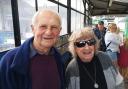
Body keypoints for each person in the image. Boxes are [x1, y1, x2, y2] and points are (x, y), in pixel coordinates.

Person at [0, 9, 64, 89]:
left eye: (54, 27)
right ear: (33, 29)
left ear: (59, 31)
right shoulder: (9, 61)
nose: (48, 32)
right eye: (43, 26)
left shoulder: (57, 57)